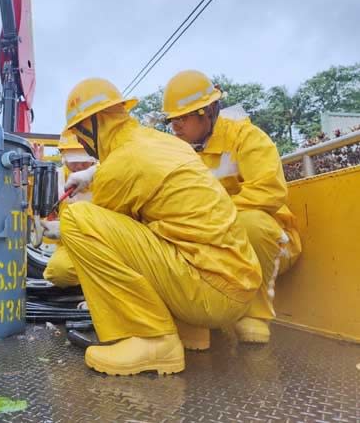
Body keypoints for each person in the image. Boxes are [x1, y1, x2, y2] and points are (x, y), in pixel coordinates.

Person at [42, 78, 262, 376]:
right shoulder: (161, 142)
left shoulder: (119, 166)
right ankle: (192, 331)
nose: (81, 143)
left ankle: (150, 338)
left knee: (78, 220)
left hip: (210, 292)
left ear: (93, 125)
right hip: (238, 283)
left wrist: (59, 237)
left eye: (80, 134)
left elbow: (89, 250)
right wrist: (94, 173)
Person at [163, 70, 302, 344]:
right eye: (171, 120)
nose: (176, 126)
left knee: (251, 223)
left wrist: (213, 217)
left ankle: (255, 315)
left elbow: (270, 190)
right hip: (215, 242)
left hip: (270, 241)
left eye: (183, 117)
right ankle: (201, 314)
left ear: (209, 110)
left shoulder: (246, 137)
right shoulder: (180, 152)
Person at [41, 131, 97, 288]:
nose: (79, 166)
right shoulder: (54, 180)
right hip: (71, 246)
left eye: (84, 161)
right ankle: (89, 282)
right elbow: (44, 219)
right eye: (74, 161)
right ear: (63, 156)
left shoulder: (105, 176)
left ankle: (98, 286)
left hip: (104, 244)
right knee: (58, 272)